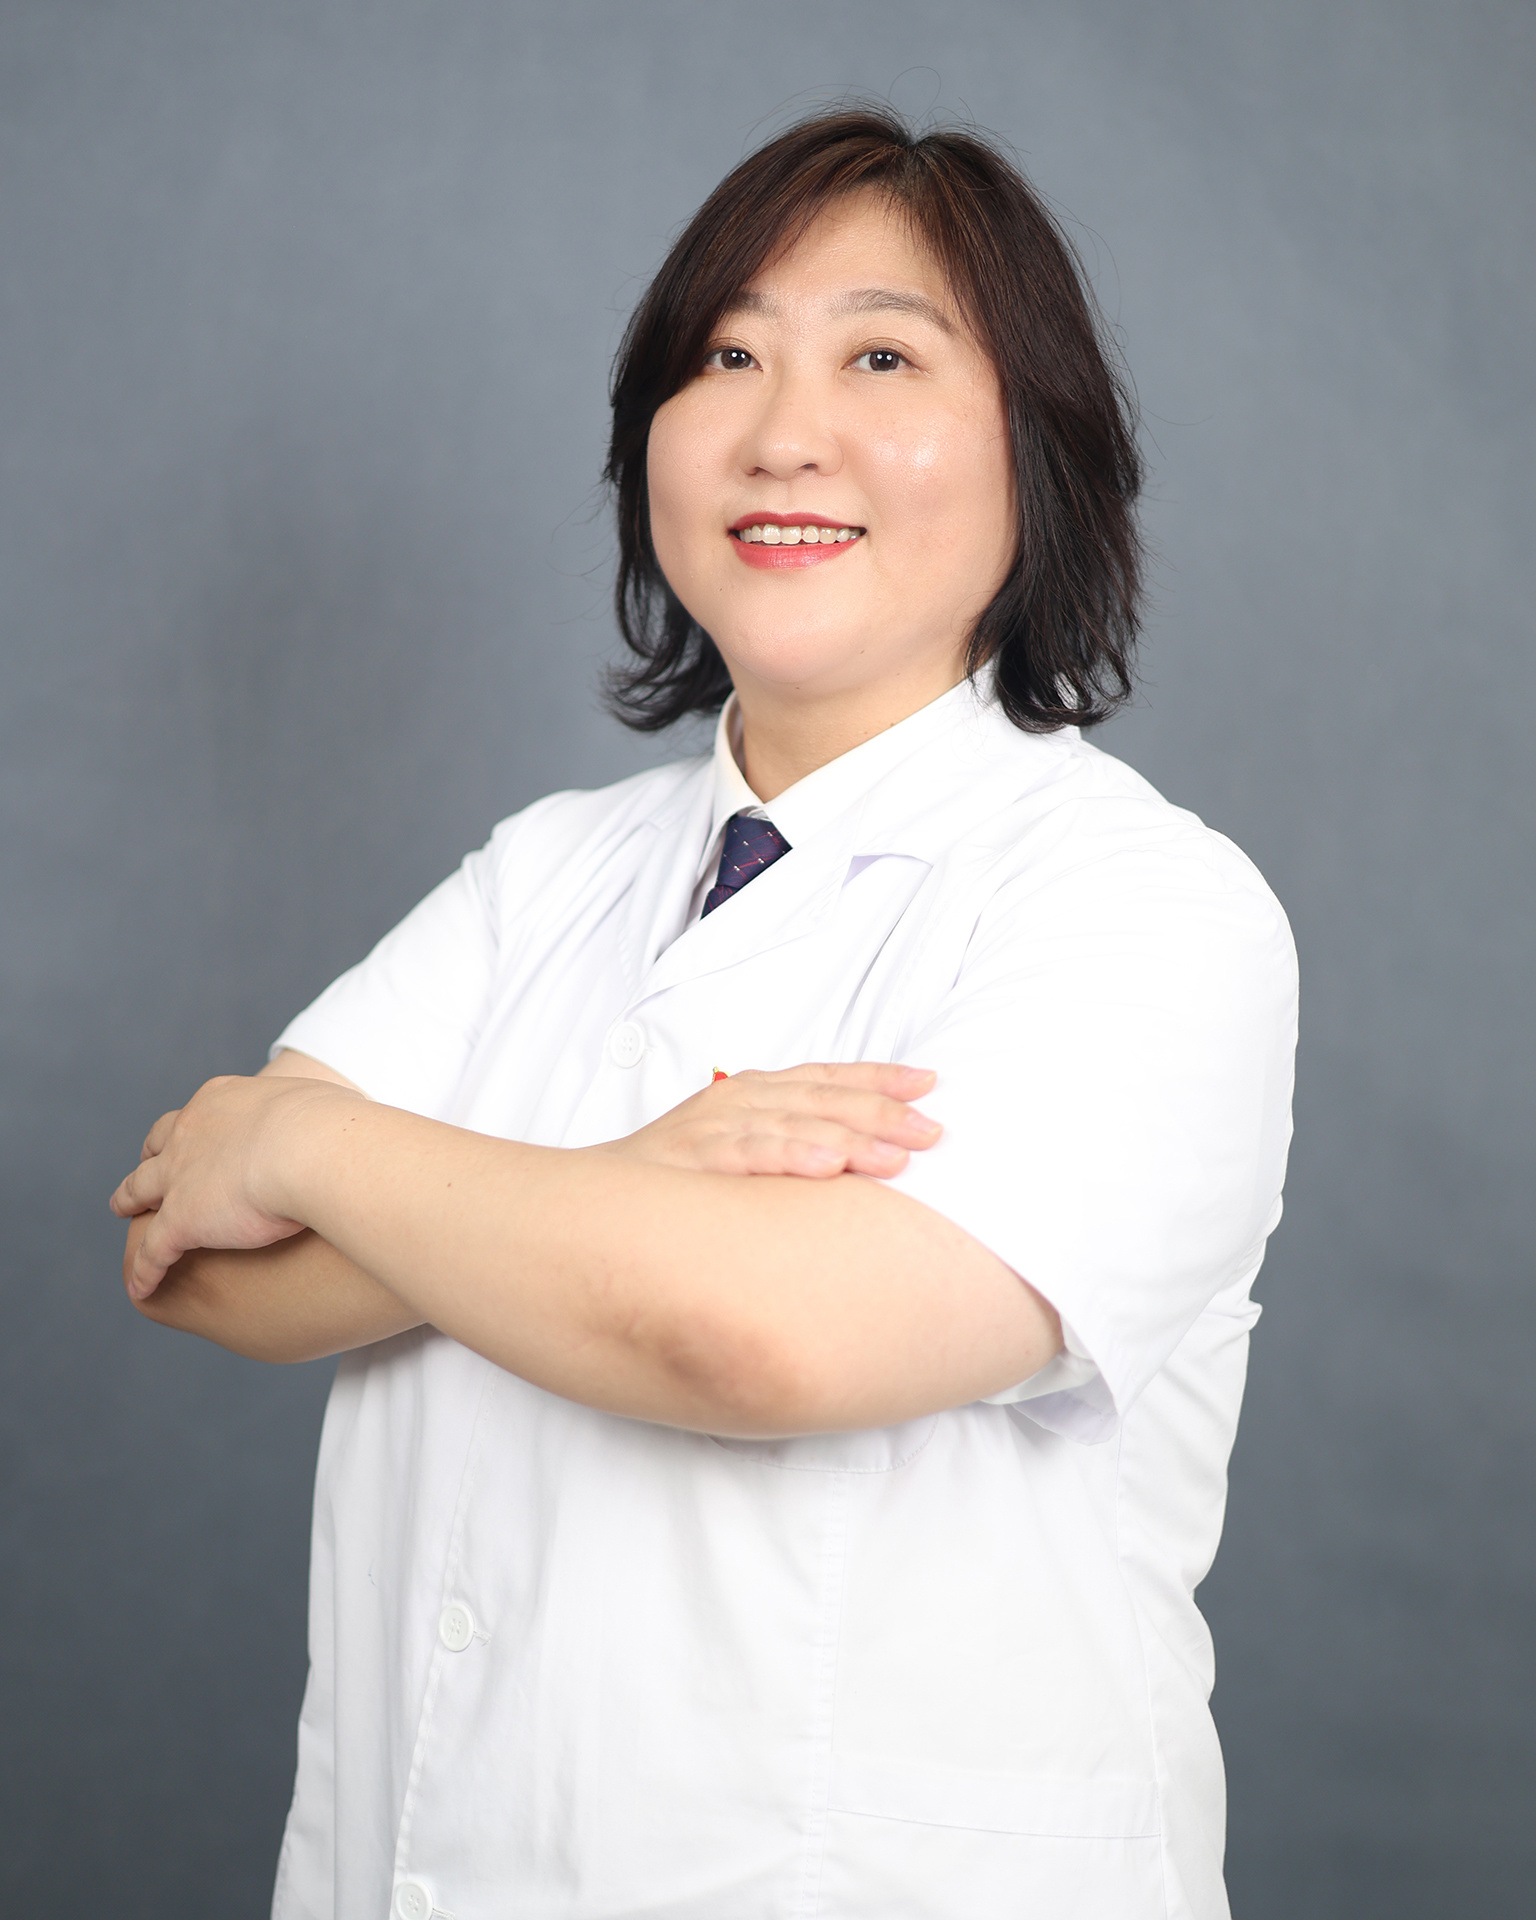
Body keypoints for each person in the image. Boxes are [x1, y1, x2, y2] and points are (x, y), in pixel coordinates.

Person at [113, 106, 1298, 1920]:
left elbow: (765, 1341)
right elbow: (195, 1265)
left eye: (881, 358)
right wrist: (633, 1175)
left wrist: (306, 1142)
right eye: (726, 356)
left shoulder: (1142, 909)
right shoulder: (542, 872)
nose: (781, 431)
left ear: (1039, 447)